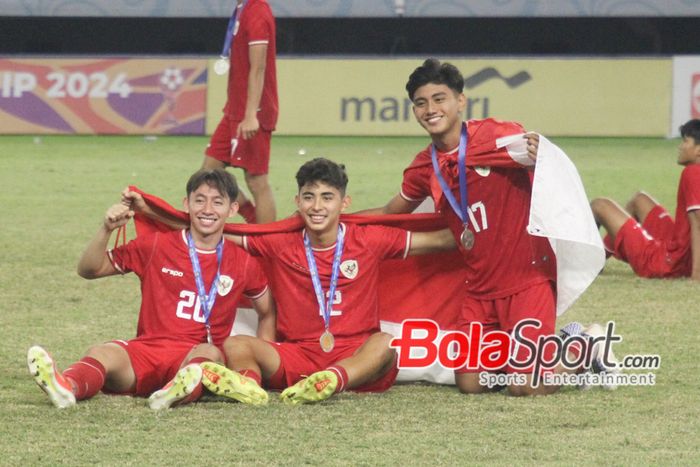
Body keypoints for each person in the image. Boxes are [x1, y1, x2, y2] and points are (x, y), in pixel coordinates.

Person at [356, 58, 615, 396]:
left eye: (439, 98)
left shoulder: (497, 136)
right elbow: (392, 212)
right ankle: (549, 347)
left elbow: (547, 167)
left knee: (525, 387)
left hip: (527, 279)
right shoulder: (424, 166)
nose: (430, 109)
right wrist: (339, 222)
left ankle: (585, 345)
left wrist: (543, 156)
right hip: (478, 288)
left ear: (460, 101)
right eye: (420, 103)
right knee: (471, 383)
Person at [184, 158, 457, 405]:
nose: (317, 207)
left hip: (354, 355)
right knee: (236, 344)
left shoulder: (369, 239)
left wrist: (486, 215)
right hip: (299, 354)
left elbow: (442, 240)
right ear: (297, 201)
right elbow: (214, 231)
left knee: (385, 344)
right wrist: (158, 212)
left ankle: (332, 379)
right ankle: (248, 386)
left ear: (344, 203)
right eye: (309, 197)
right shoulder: (280, 243)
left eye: (327, 198)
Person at [27, 169, 275, 410]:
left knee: (207, 356)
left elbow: (267, 312)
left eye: (217, 202)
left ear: (232, 209)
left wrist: (262, 356)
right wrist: (106, 229)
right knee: (102, 352)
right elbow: (89, 270)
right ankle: (66, 386)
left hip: (196, 353)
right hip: (147, 350)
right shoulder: (156, 245)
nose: (207, 210)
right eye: (199, 201)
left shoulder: (243, 262)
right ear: (186, 204)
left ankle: (173, 392)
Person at [591, 119, 700, 281]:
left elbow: (698, 222)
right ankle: (599, 258)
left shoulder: (692, 172)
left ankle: (581, 264)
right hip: (679, 248)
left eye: (685, 141)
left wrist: (696, 275)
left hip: (669, 263)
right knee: (639, 200)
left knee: (599, 205)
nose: (680, 146)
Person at [203, 0, 278, 224]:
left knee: (256, 181)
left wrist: (251, 114)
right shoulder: (242, 8)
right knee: (208, 173)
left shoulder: (257, 11)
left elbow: (259, 68)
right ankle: (254, 220)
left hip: (252, 112)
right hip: (234, 111)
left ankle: (268, 244)